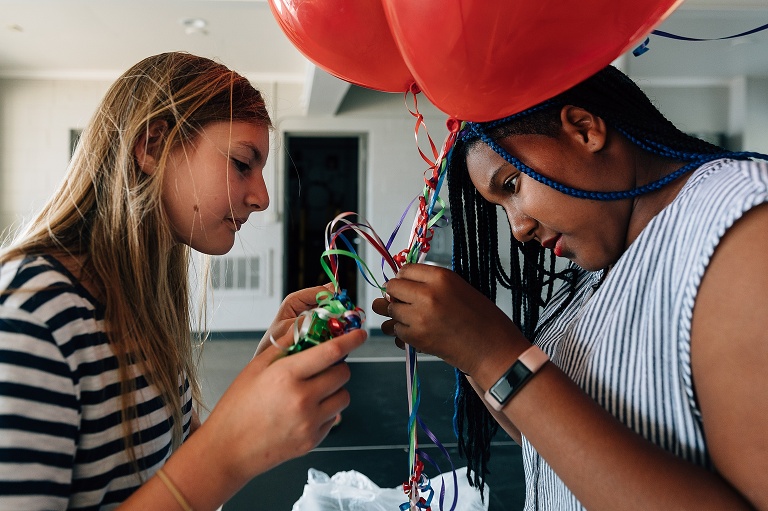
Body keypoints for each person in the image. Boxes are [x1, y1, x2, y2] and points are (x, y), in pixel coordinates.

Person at [373, 64, 768, 510]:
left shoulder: (742, 226)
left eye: (512, 184)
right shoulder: (602, 261)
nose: (518, 227)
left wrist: (494, 353)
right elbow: (550, 437)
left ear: (583, 130)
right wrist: (469, 352)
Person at [0, 52, 366, 510]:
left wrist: (262, 374)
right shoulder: (31, 314)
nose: (262, 197)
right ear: (153, 146)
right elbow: (202, 470)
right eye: (241, 163)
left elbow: (171, 466)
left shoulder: (142, 304)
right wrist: (229, 455)